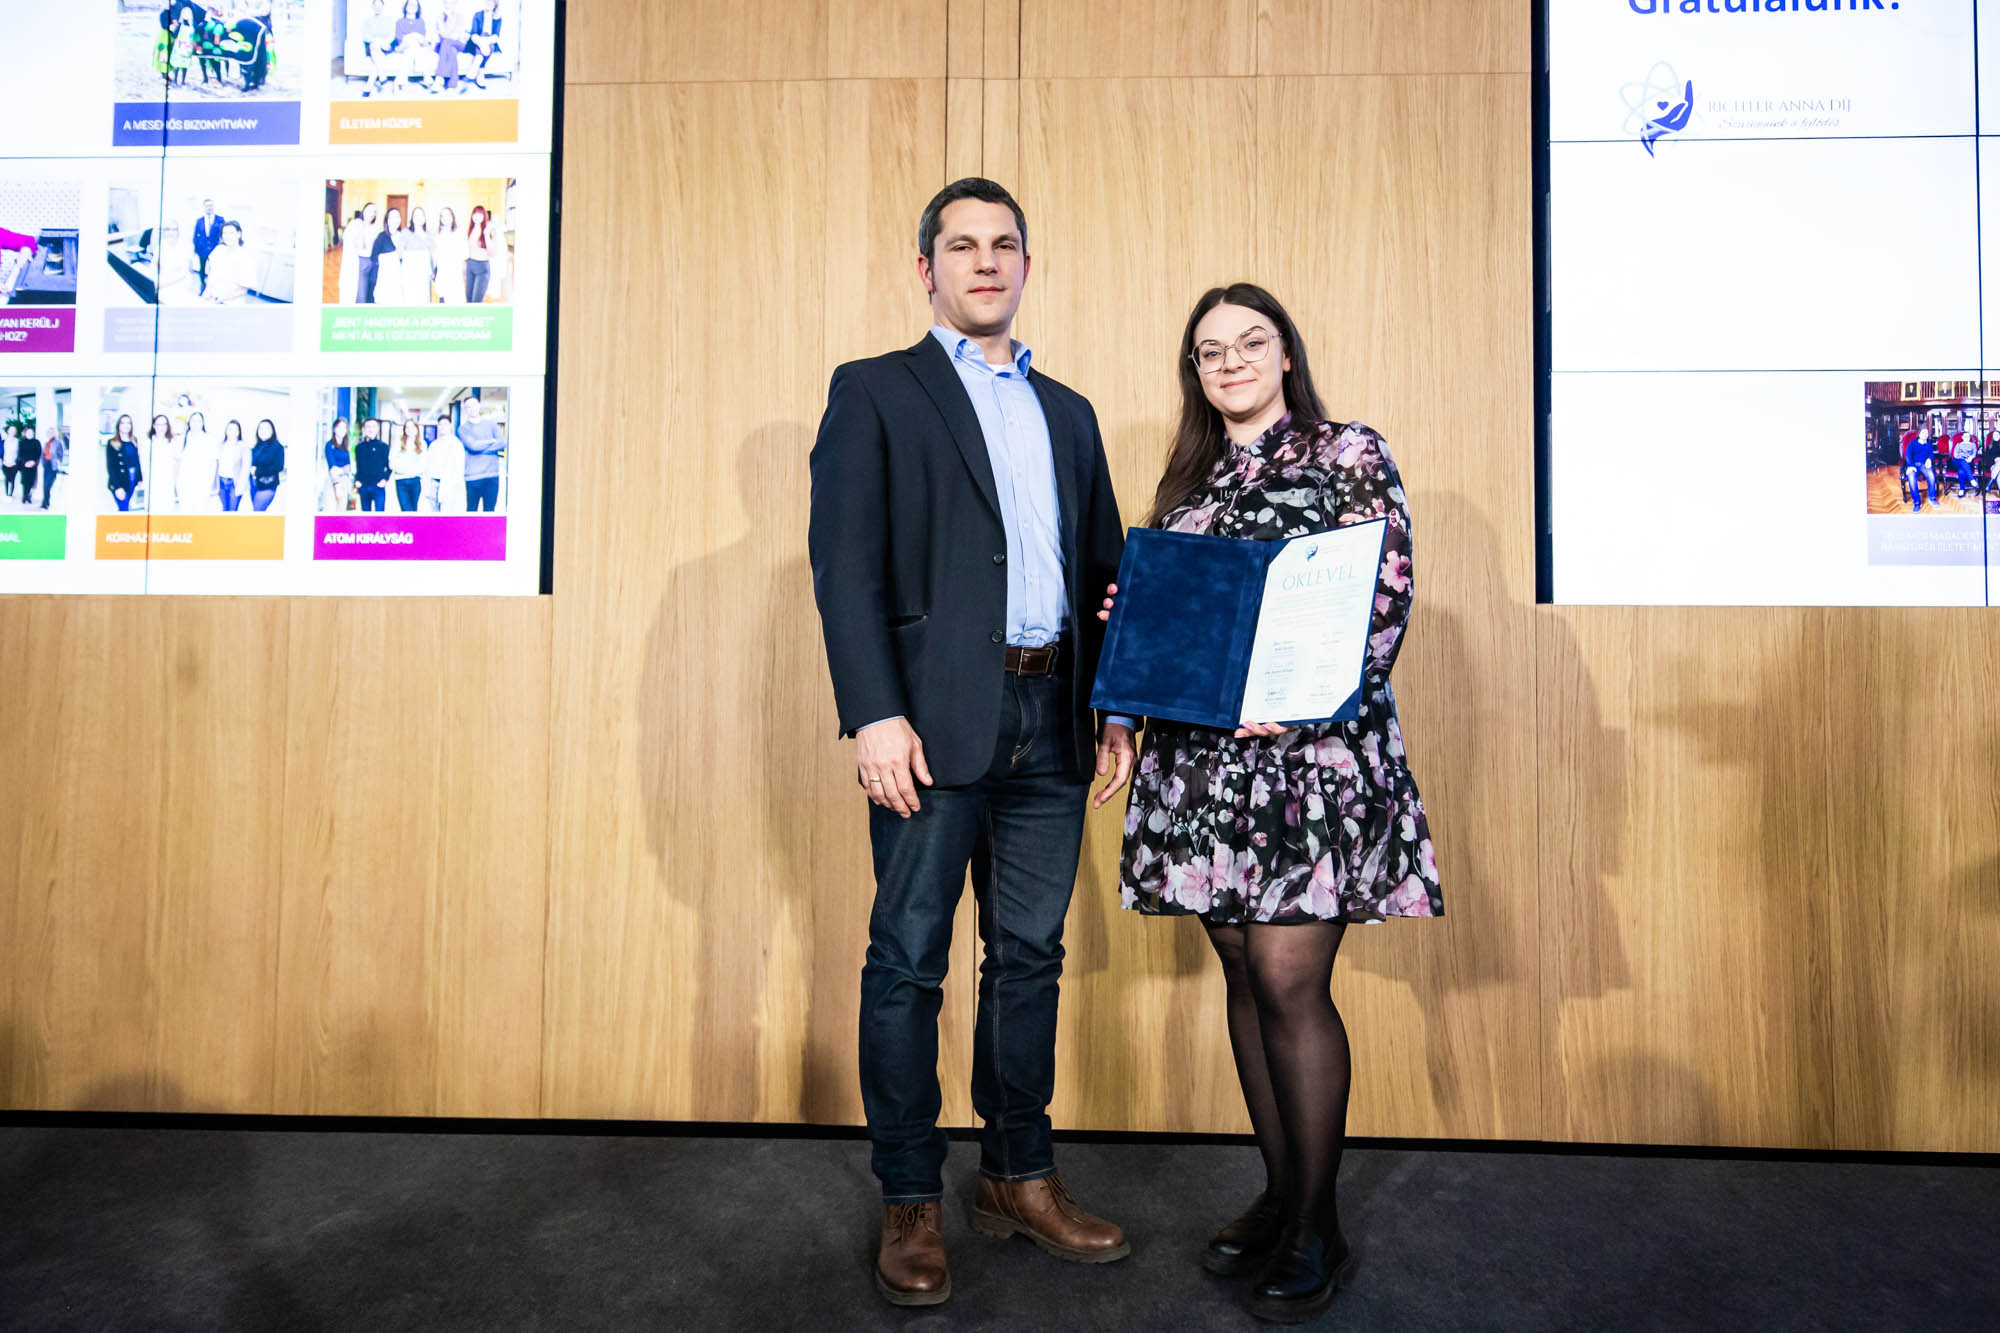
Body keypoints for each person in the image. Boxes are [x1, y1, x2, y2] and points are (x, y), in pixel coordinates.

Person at [806, 177, 1134, 1309]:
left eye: (1003, 245)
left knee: (1029, 957)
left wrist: (1117, 704)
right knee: (908, 961)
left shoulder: (1070, 413)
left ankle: (1016, 1174)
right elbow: (844, 565)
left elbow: (1106, 573)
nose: (984, 261)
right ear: (926, 269)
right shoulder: (874, 391)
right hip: (928, 723)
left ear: (1026, 266)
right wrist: (872, 712)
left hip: (1053, 719)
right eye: (961, 245)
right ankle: (910, 1195)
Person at [1102, 284, 1440, 1323]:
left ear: (1286, 354)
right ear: (1195, 372)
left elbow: (1382, 595)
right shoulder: (1186, 482)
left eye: (1251, 342)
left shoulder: (1346, 453)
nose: (1232, 361)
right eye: (1210, 351)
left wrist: (1293, 703)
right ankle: (1282, 1192)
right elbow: (1177, 625)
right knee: (1245, 975)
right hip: (1204, 770)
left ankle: (1317, 1222)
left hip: (1307, 762)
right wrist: (1132, 626)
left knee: (1291, 980)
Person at [458, 399, 503, 510]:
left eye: (474, 405)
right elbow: (473, 446)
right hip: (473, 476)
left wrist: (480, 448)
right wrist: (491, 441)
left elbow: (502, 443)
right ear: (465, 410)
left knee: (490, 511)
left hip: (492, 475)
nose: (472, 408)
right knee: (471, 510)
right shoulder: (463, 429)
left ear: (479, 405)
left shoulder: (491, 424)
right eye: (468, 407)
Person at [422, 407, 465, 511]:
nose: (442, 427)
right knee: (434, 512)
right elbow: (427, 465)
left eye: (445, 424)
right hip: (433, 483)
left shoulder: (456, 444)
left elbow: (459, 468)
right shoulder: (434, 444)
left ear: (450, 426)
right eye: (440, 424)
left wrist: (454, 484)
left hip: (448, 484)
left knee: (446, 512)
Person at [178, 410, 220, 512]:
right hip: (184, 482)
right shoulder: (182, 438)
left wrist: (210, 483)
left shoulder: (209, 439)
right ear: (189, 422)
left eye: (199, 421)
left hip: (202, 482)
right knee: (185, 510)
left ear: (203, 423)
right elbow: (177, 461)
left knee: (200, 511)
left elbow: (213, 463)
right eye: (193, 420)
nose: (196, 423)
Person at [202, 222, 250, 303]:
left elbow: (243, 288)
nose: (227, 236)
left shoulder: (245, 257)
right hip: (212, 298)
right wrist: (207, 291)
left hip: (231, 301)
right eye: (224, 233)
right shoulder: (218, 250)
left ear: (239, 234)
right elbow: (212, 273)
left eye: (231, 233)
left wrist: (220, 299)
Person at [390, 0, 430, 95]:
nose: (412, 7)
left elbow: (422, 40)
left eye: (414, 5)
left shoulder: (421, 21)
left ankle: (400, 81)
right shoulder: (400, 22)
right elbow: (400, 40)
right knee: (412, 43)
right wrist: (413, 36)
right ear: (406, 6)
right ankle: (427, 76)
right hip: (402, 47)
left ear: (418, 8)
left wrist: (412, 37)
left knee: (413, 46)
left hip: (415, 48)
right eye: (410, 4)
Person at [361, 0, 400, 97]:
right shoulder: (367, 21)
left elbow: (392, 35)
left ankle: (369, 86)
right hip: (373, 46)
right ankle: (382, 77)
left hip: (385, 46)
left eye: (380, 6)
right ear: (372, 7)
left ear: (383, 7)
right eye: (375, 5)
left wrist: (384, 42)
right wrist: (377, 41)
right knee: (374, 47)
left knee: (375, 57)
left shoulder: (389, 20)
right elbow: (366, 36)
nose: (377, 8)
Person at [106, 415, 143, 513]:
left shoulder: (134, 440)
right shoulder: (112, 443)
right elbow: (110, 467)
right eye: (123, 423)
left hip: (132, 479)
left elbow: (137, 461)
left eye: (128, 423)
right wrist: (117, 487)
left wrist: (140, 478)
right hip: (120, 481)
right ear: (118, 425)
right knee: (124, 508)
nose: (126, 425)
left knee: (126, 507)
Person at [463, 0, 504, 88]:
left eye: (491, 2)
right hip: (476, 42)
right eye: (487, 1)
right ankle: (480, 75)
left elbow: (496, 36)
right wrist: (482, 44)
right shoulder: (477, 15)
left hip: (489, 43)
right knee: (485, 41)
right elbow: (473, 34)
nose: (488, 4)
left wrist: (485, 42)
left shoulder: (498, 18)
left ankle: (472, 73)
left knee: (489, 44)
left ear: (495, 5)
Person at [354, 417, 391, 511]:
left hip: (378, 485)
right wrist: (357, 480)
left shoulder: (383, 447)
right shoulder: (359, 448)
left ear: (377, 429)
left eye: (373, 427)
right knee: (366, 514)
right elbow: (358, 466)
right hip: (363, 485)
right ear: (364, 429)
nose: (370, 429)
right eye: (368, 427)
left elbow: (389, 466)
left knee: (379, 514)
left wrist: (385, 479)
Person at [432, 206, 467, 305]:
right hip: (442, 272)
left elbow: (465, 254)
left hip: (455, 272)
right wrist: (433, 270)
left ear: (452, 216)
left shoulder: (460, 232)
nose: (445, 218)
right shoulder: (438, 235)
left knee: (456, 300)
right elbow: (435, 255)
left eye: (447, 215)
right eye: (442, 216)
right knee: (443, 300)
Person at [371, 208, 406, 304]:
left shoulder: (403, 236)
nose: (395, 220)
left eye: (397, 217)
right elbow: (374, 257)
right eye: (391, 217)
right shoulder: (381, 237)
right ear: (387, 220)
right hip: (385, 280)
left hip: (400, 280)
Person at [390, 417, 427, 511]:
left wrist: (411, 471)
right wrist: (406, 470)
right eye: (407, 427)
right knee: (405, 509)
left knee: (414, 509)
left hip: (415, 480)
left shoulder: (422, 444)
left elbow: (423, 464)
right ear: (404, 430)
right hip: (401, 480)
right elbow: (392, 461)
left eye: (412, 427)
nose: (410, 429)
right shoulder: (398, 443)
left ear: (417, 429)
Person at [248, 419, 284, 512]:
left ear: (272, 431)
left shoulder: (277, 447)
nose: (263, 431)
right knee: (258, 511)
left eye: (267, 428)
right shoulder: (257, 446)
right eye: (261, 428)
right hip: (254, 484)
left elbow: (278, 467)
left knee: (257, 511)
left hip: (268, 485)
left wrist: (257, 471)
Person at [192, 200, 227, 297]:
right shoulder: (199, 221)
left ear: (213, 206)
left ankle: (214, 288)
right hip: (202, 250)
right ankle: (202, 285)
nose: (209, 207)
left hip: (215, 250)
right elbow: (195, 236)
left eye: (211, 205)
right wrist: (196, 250)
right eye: (207, 206)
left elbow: (223, 234)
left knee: (215, 269)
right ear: (204, 207)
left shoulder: (220, 220)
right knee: (202, 269)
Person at [402, 206, 436, 304]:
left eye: (421, 215)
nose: (419, 217)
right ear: (412, 218)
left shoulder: (429, 234)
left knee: (424, 301)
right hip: (409, 274)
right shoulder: (405, 233)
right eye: (416, 215)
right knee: (410, 301)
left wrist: (433, 271)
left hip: (425, 275)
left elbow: (433, 255)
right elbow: (400, 254)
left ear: (425, 218)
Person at [149, 414, 181, 514]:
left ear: (167, 426)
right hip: (152, 482)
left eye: (164, 424)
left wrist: (175, 481)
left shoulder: (173, 442)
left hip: (168, 482)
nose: (161, 427)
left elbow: (177, 462)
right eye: (158, 424)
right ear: (154, 426)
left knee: (167, 509)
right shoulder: (148, 442)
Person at [322, 416, 355, 512]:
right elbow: (332, 468)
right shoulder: (329, 445)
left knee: (341, 510)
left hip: (344, 480)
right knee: (330, 510)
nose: (342, 430)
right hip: (332, 481)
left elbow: (349, 467)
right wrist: (337, 485)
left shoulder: (345, 447)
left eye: (344, 427)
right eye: (339, 427)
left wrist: (340, 470)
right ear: (334, 429)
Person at [352, 202, 383, 304]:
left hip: (374, 262)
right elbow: (353, 245)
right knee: (361, 294)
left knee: (372, 292)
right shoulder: (356, 225)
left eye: (374, 211)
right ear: (364, 211)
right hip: (361, 261)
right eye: (369, 210)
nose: (372, 213)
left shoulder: (377, 228)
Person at [217, 418, 250, 512]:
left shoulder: (243, 446)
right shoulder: (220, 445)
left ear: (239, 432)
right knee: (224, 509)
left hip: (234, 483)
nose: (232, 432)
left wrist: (240, 487)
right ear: (226, 430)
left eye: (235, 429)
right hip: (221, 482)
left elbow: (246, 468)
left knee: (232, 511)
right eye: (230, 429)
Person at [1903, 424, 1937, 513]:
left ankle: (1932, 498)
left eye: (1926, 433)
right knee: (1911, 479)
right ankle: (1917, 502)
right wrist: (1910, 465)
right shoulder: (1912, 443)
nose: (1925, 435)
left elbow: (1931, 454)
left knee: (1931, 476)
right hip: (1913, 464)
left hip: (1924, 464)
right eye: (1923, 433)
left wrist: (1929, 459)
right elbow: (1908, 454)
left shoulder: (1929, 444)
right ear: (1919, 434)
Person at [465, 206, 495, 304]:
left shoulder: (489, 230)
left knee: (476, 301)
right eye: (475, 214)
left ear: (484, 216)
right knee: (469, 299)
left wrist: (486, 235)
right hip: (470, 265)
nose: (477, 216)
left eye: (480, 214)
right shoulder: (470, 229)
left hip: (482, 267)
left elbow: (492, 253)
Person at [39, 427, 66, 510]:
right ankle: (45, 502)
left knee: (48, 485)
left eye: (51, 432)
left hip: (53, 466)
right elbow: (42, 454)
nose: (50, 434)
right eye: (48, 432)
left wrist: (58, 463)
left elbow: (61, 455)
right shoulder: (46, 443)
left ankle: (45, 503)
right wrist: (42, 463)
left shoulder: (58, 443)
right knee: (44, 485)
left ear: (54, 433)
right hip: (46, 465)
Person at [14, 427, 39, 510]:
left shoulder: (36, 442)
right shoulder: (22, 442)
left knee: (31, 481)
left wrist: (33, 462)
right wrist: (25, 462)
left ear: (33, 433)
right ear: (26, 433)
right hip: (24, 465)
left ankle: (27, 496)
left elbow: (38, 453)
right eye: (28, 432)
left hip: (33, 465)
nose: (29, 434)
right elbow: (20, 454)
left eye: (31, 432)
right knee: (25, 481)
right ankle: (25, 497)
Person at [1, 422, 17, 501]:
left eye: (14, 430)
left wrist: (14, 461)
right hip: (5, 463)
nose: (12, 432)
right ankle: (7, 494)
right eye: (11, 430)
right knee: (6, 479)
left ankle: (11, 494)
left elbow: (19, 453)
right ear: (8, 431)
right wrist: (3, 461)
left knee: (13, 479)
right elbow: (1, 452)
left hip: (14, 463)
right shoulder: (3, 441)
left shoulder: (17, 441)